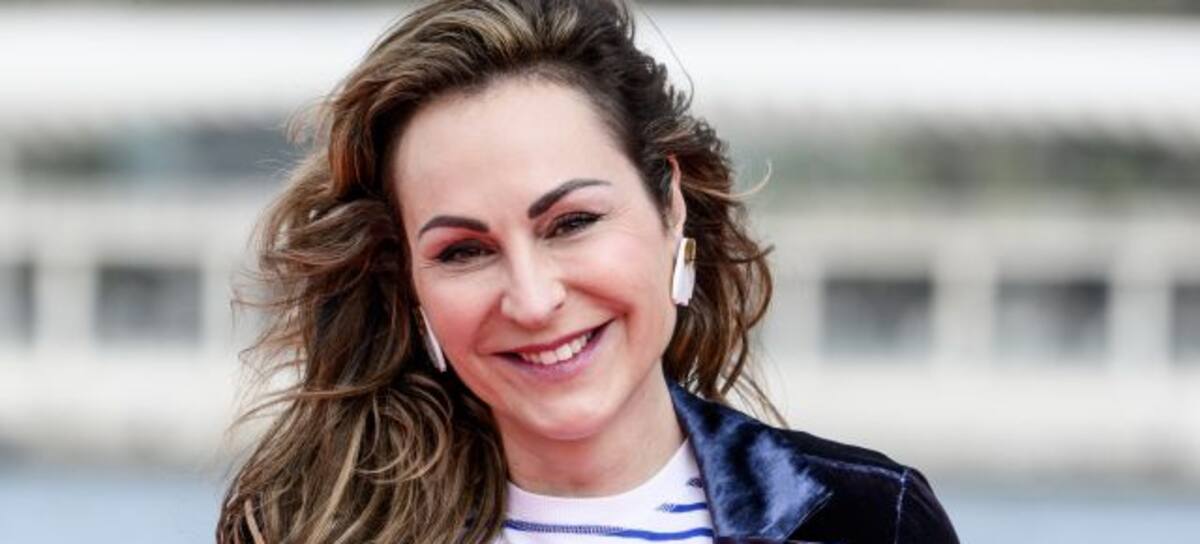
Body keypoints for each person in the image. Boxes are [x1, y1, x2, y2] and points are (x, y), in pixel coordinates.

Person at [217, 0, 959, 542]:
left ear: (670, 207)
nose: (533, 299)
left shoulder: (868, 521)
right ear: (408, 284)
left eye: (572, 223)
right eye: (464, 251)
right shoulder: (297, 530)